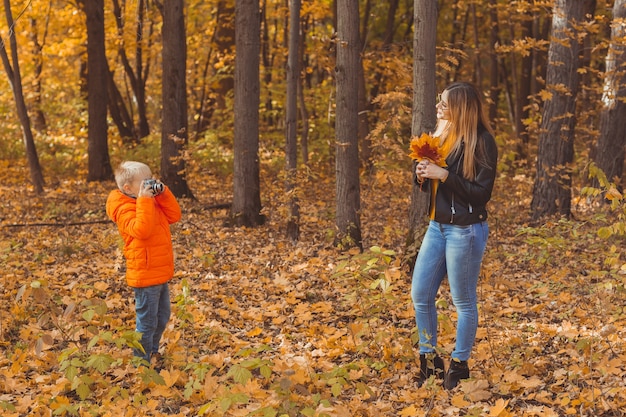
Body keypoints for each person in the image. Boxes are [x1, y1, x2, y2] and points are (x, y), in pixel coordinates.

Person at [411, 82, 498, 389]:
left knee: (462, 300)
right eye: (439, 102)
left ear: (460, 109)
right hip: (436, 227)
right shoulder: (441, 136)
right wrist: (421, 174)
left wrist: (445, 175)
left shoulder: (483, 142)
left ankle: (459, 366)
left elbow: (481, 195)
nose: (439, 108)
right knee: (420, 295)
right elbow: (426, 180)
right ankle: (430, 360)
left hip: (466, 230)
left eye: (444, 104)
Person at [106, 161, 182, 367]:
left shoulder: (148, 200)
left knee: (162, 316)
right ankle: (141, 364)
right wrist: (145, 201)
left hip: (159, 271)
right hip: (145, 273)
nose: (149, 184)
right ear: (128, 188)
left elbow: (174, 216)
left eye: (151, 179)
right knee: (147, 323)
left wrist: (163, 193)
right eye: (144, 182)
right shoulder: (123, 207)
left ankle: (152, 352)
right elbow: (142, 230)